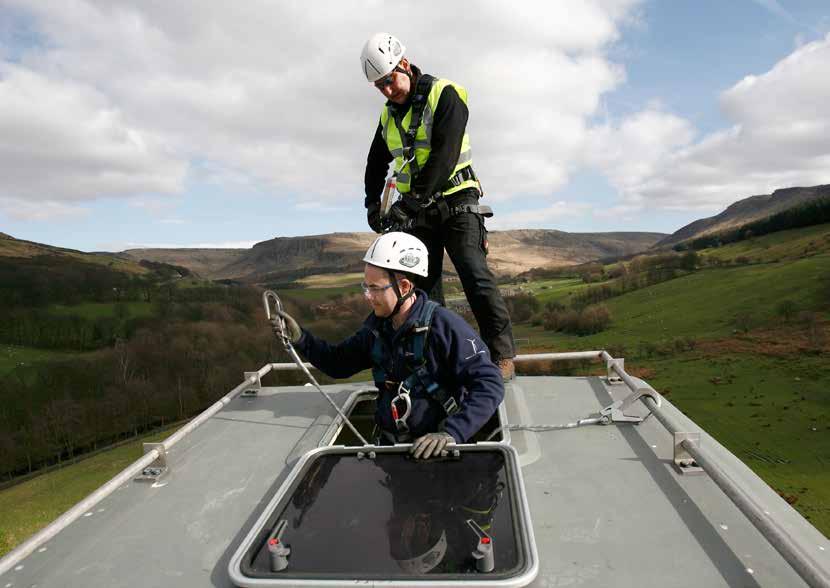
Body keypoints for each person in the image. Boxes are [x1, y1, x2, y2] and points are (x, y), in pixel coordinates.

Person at [360, 32, 516, 381]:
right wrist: (372, 204)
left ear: (404, 65)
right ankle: (438, 360)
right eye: (378, 87)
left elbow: (445, 156)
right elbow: (375, 164)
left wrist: (410, 202)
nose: (387, 91)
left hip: (457, 199)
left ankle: (502, 356)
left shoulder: (444, 94)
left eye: (389, 81)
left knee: (474, 274)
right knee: (422, 290)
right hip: (419, 212)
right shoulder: (389, 117)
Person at [271, 232, 504, 458]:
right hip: (391, 453)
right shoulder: (376, 330)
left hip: (438, 455)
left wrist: (452, 432)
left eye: (375, 288)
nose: (367, 296)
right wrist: (301, 339)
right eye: (366, 286)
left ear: (404, 287)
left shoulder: (443, 326)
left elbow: (489, 382)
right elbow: (337, 363)